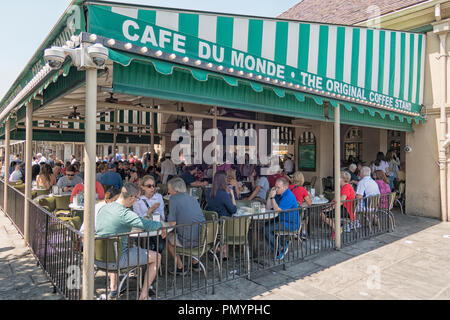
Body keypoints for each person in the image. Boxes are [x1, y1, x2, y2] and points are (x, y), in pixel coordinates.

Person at [95, 183, 165, 300]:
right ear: (132, 197)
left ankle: (114, 287)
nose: (136, 201)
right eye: (137, 198)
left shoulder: (104, 208)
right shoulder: (125, 213)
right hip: (117, 259)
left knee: (132, 249)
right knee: (157, 257)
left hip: (99, 258)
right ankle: (144, 295)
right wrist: (161, 225)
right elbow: (147, 225)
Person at [165, 177, 205, 275]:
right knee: (190, 230)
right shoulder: (192, 198)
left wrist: (163, 223)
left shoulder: (173, 199)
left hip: (188, 240)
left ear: (176, 189)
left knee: (167, 239)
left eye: (169, 188)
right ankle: (195, 263)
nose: (168, 191)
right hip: (203, 238)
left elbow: (172, 224)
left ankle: (180, 267)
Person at [265, 178, 299, 260]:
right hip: (281, 220)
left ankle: (280, 249)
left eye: (278, 187)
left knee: (267, 229)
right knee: (266, 225)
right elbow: (268, 207)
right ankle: (283, 244)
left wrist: (272, 198)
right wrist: (270, 196)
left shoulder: (289, 196)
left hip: (290, 223)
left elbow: (277, 210)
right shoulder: (278, 194)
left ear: (285, 187)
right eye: (275, 187)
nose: (276, 189)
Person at [206, 171, 237, 259]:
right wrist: (232, 195)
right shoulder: (223, 194)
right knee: (228, 223)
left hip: (212, 222)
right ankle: (219, 250)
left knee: (225, 224)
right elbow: (234, 210)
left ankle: (223, 252)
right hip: (223, 223)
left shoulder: (208, 192)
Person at [133, 175, 166, 253]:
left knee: (160, 246)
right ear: (142, 187)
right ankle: (150, 262)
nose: (152, 188)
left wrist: (161, 218)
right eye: (149, 186)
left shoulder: (158, 197)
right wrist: (151, 209)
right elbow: (138, 219)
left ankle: (155, 261)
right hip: (143, 229)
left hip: (156, 227)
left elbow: (162, 215)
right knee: (148, 247)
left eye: (153, 186)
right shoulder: (138, 200)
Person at [321, 171, 356, 237]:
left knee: (323, 214)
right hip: (344, 208)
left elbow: (341, 201)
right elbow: (336, 199)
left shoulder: (346, 187)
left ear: (342, 179)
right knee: (323, 212)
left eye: (338, 177)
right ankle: (337, 229)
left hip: (346, 210)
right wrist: (330, 205)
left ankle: (337, 229)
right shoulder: (344, 186)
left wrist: (329, 208)